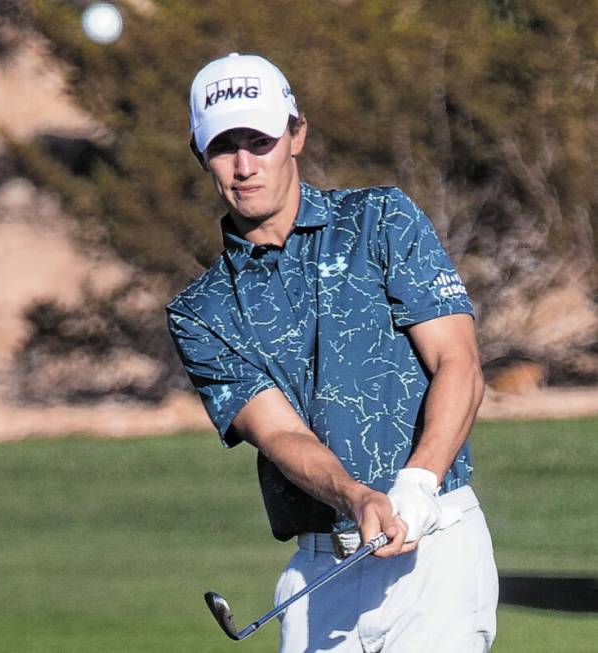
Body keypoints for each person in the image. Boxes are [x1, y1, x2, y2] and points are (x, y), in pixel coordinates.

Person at [167, 53, 498, 652]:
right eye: (224, 147)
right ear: (200, 154)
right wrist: (356, 496)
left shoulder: (382, 220)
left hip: (437, 545)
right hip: (322, 567)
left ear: (296, 134)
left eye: (260, 140)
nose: (244, 165)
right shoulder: (201, 310)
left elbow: (460, 362)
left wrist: (419, 483)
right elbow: (280, 435)